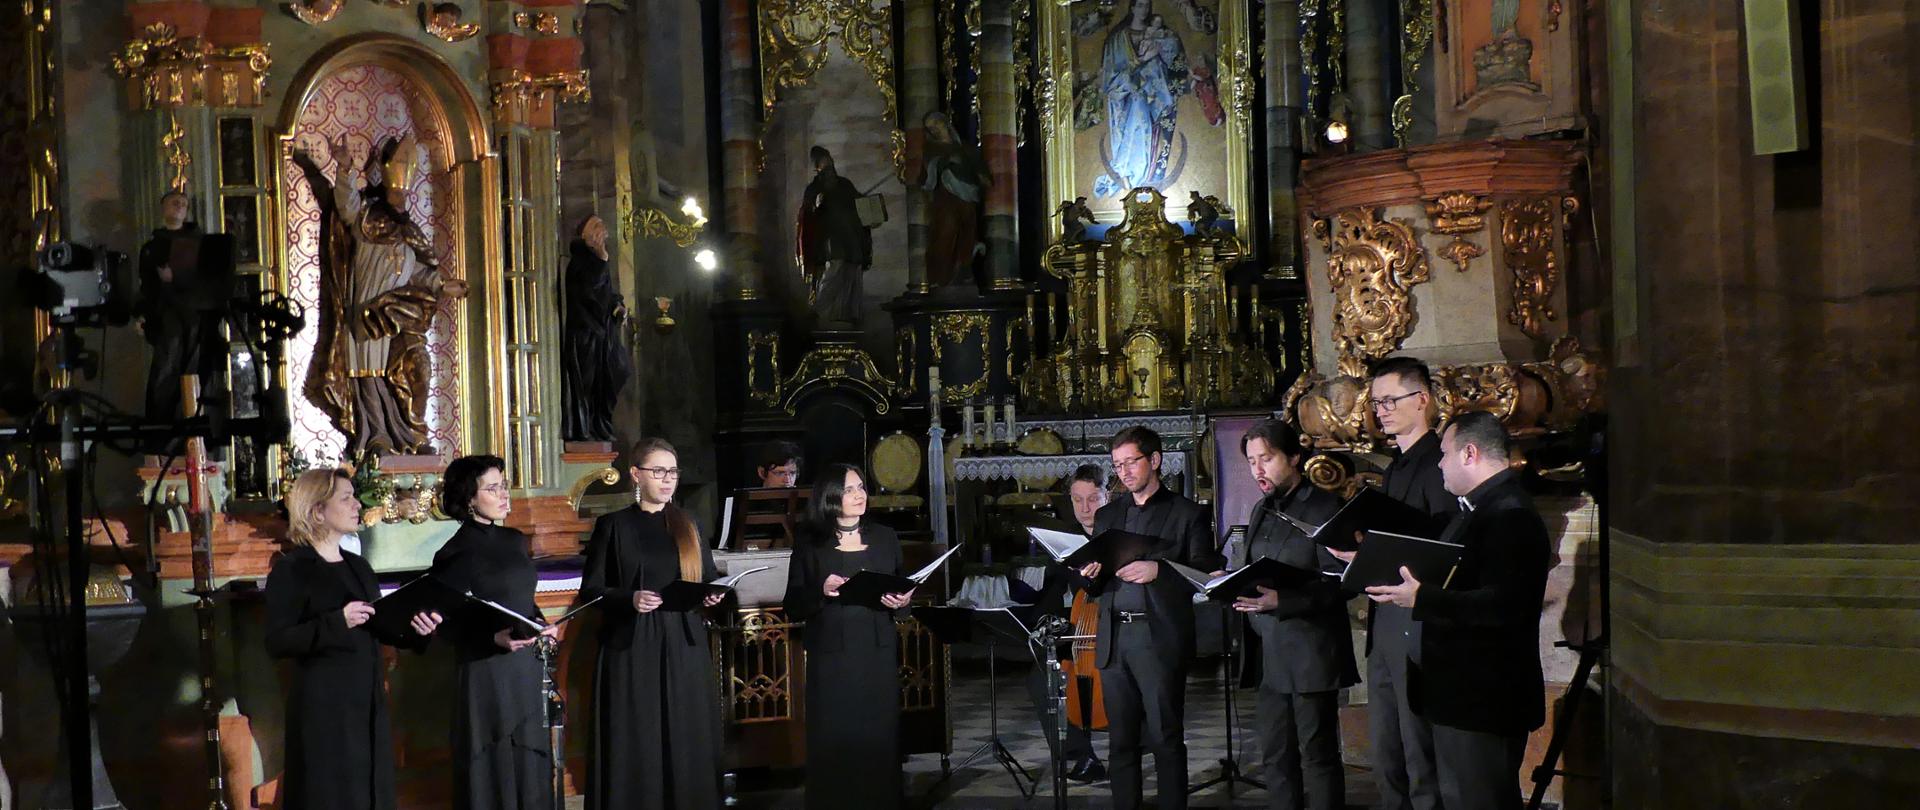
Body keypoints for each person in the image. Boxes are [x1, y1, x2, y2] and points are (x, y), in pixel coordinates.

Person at [1366, 411, 1550, 810]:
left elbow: (1505, 605)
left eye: (1445, 453)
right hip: (1462, 700)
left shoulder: (1510, 515)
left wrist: (1422, 599)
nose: (1439, 464)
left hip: (1483, 700)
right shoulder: (1481, 510)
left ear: (1470, 453)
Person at [266, 468, 441, 810]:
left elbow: (378, 625)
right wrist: (337, 622)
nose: (357, 504)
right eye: (346, 498)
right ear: (317, 511)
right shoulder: (292, 569)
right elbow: (278, 641)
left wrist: (416, 631)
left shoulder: (358, 566)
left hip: (366, 703)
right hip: (325, 709)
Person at [1077, 426, 1221, 810]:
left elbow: (1205, 572)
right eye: (1117, 465)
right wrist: (1088, 575)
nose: (1124, 472)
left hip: (1157, 638)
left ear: (1155, 460)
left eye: (1131, 462)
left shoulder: (1187, 513)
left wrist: (1160, 571)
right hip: (1114, 639)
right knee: (1121, 741)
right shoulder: (1108, 515)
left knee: (1164, 737)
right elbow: (1096, 585)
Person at [579, 438, 725, 809]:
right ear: (635, 474)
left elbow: (707, 577)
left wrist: (711, 596)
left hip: (682, 641)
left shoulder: (689, 523)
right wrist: (629, 598)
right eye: (658, 471)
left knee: (685, 731)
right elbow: (591, 590)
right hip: (633, 643)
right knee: (638, 734)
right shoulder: (614, 525)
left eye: (672, 471)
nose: (667, 479)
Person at [1347, 356, 1459, 810]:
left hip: (1416, 622)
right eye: (1377, 403)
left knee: (1419, 756)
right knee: (1386, 754)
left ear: (1422, 399)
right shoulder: (1394, 468)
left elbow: (1444, 546)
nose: (1382, 411)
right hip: (1385, 622)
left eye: (1390, 401)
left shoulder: (1439, 465)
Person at [1228, 421, 1354, 810]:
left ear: (1294, 457)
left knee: (1317, 755)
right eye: (1252, 461)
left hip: (1311, 652)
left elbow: (1342, 583)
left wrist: (1283, 601)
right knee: (1275, 755)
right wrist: (1229, 581)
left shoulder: (1324, 507)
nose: (1258, 470)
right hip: (1268, 654)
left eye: (1266, 459)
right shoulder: (1261, 509)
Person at [424, 455, 557, 810]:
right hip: (486, 669)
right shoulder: (454, 552)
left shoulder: (515, 540)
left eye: (504, 486)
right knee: (493, 761)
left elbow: (522, 599)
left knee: (530, 756)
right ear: (470, 498)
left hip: (526, 666)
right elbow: (444, 624)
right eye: (493, 488)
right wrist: (492, 638)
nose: (504, 495)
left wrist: (542, 623)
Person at [782, 464, 915, 809]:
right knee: (834, 735)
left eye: (861, 488)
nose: (859, 496)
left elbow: (902, 594)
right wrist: (821, 589)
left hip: (876, 652)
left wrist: (902, 602)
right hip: (832, 656)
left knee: (878, 734)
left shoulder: (885, 537)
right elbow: (793, 604)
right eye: (849, 490)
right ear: (830, 497)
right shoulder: (810, 540)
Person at [1025, 464, 1109, 783]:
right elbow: (1053, 588)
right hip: (1082, 628)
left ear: (1107, 496)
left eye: (1093, 499)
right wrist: (1039, 623)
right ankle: (1082, 754)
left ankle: (1139, 741)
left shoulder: (1117, 533)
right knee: (1040, 676)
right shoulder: (1065, 539)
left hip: (1118, 624)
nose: (1085, 508)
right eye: (1077, 500)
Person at [137, 191, 216, 428]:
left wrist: (176, 278)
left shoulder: (201, 244)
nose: (179, 206)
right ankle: (162, 430)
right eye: (174, 203)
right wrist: (141, 315)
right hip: (167, 317)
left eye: (183, 203)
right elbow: (146, 285)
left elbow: (209, 279)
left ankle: (193, 425)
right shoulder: (152, 247)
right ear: (163, 208)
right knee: (166, 372)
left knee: (194, 372)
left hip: (195, 317)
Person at [561, 214, 630, 443]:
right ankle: (587, 428)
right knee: (589, 384)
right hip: (586, 334)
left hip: (601, 334)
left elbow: (606, 293)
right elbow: (589, 293)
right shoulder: (580, 262)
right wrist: (602, 259)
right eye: (597, 227)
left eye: (602, 226)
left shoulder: (598, 261)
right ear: (585, 235)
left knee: (618, 370)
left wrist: (617, 306)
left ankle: (600, 424)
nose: (603, 231)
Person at [797, 146, 872, 328]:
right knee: (833, 273)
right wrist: (816, 203)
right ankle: (818, 311)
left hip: (852, 238)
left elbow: (860, 206)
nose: (828, 164)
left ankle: (848, 316)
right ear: (817, 166)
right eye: (824, 161)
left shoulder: (845, 184)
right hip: (831, 241)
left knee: (852, 275)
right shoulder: (814, 188)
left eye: (829, 160)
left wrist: (867, 207)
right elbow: (808, 212)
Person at [919, 112, 989, 288]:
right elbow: (925, 178)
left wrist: (979, 176)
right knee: (945, 234)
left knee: (967, 233)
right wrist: (945, 162)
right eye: (930, 128)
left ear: (945, 124)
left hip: (967, 199)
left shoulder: (966, 148)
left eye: (936, 124)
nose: (934, 129)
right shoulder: (931, 150)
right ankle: (942, 278)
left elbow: (981, 174)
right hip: (944, 200)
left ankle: (963, 271)